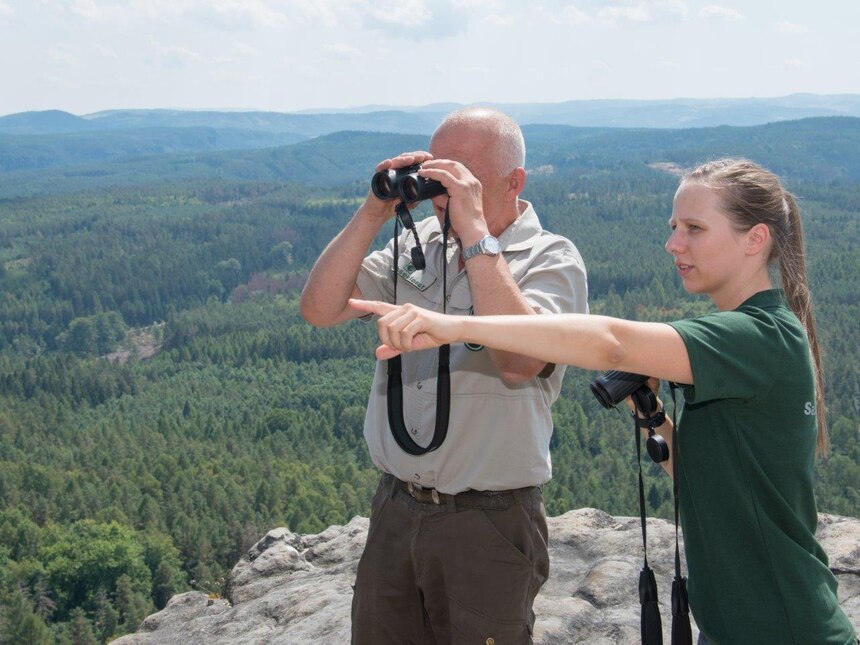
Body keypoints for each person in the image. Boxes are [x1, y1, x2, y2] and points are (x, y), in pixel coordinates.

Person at [351, 158, 858, 645]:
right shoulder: (751, 337)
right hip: (739, 622)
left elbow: (611, 341)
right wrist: (649, 412)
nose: (672, 243)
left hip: (782, 626)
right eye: (673, 226)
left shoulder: (758, 335)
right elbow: (701, 479)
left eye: (694, 229)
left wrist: (452, 325)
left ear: (756, 239)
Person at [300, 107, 588, 644]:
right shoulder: (419, 246)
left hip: (489, 519)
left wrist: (476, 232)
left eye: (463, 176)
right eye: (437, 174)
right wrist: (371, 212)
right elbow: (319, 308)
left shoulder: (550, 258)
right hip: (396, 509)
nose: (443, 191)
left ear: (513, 181)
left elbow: (520, 361)